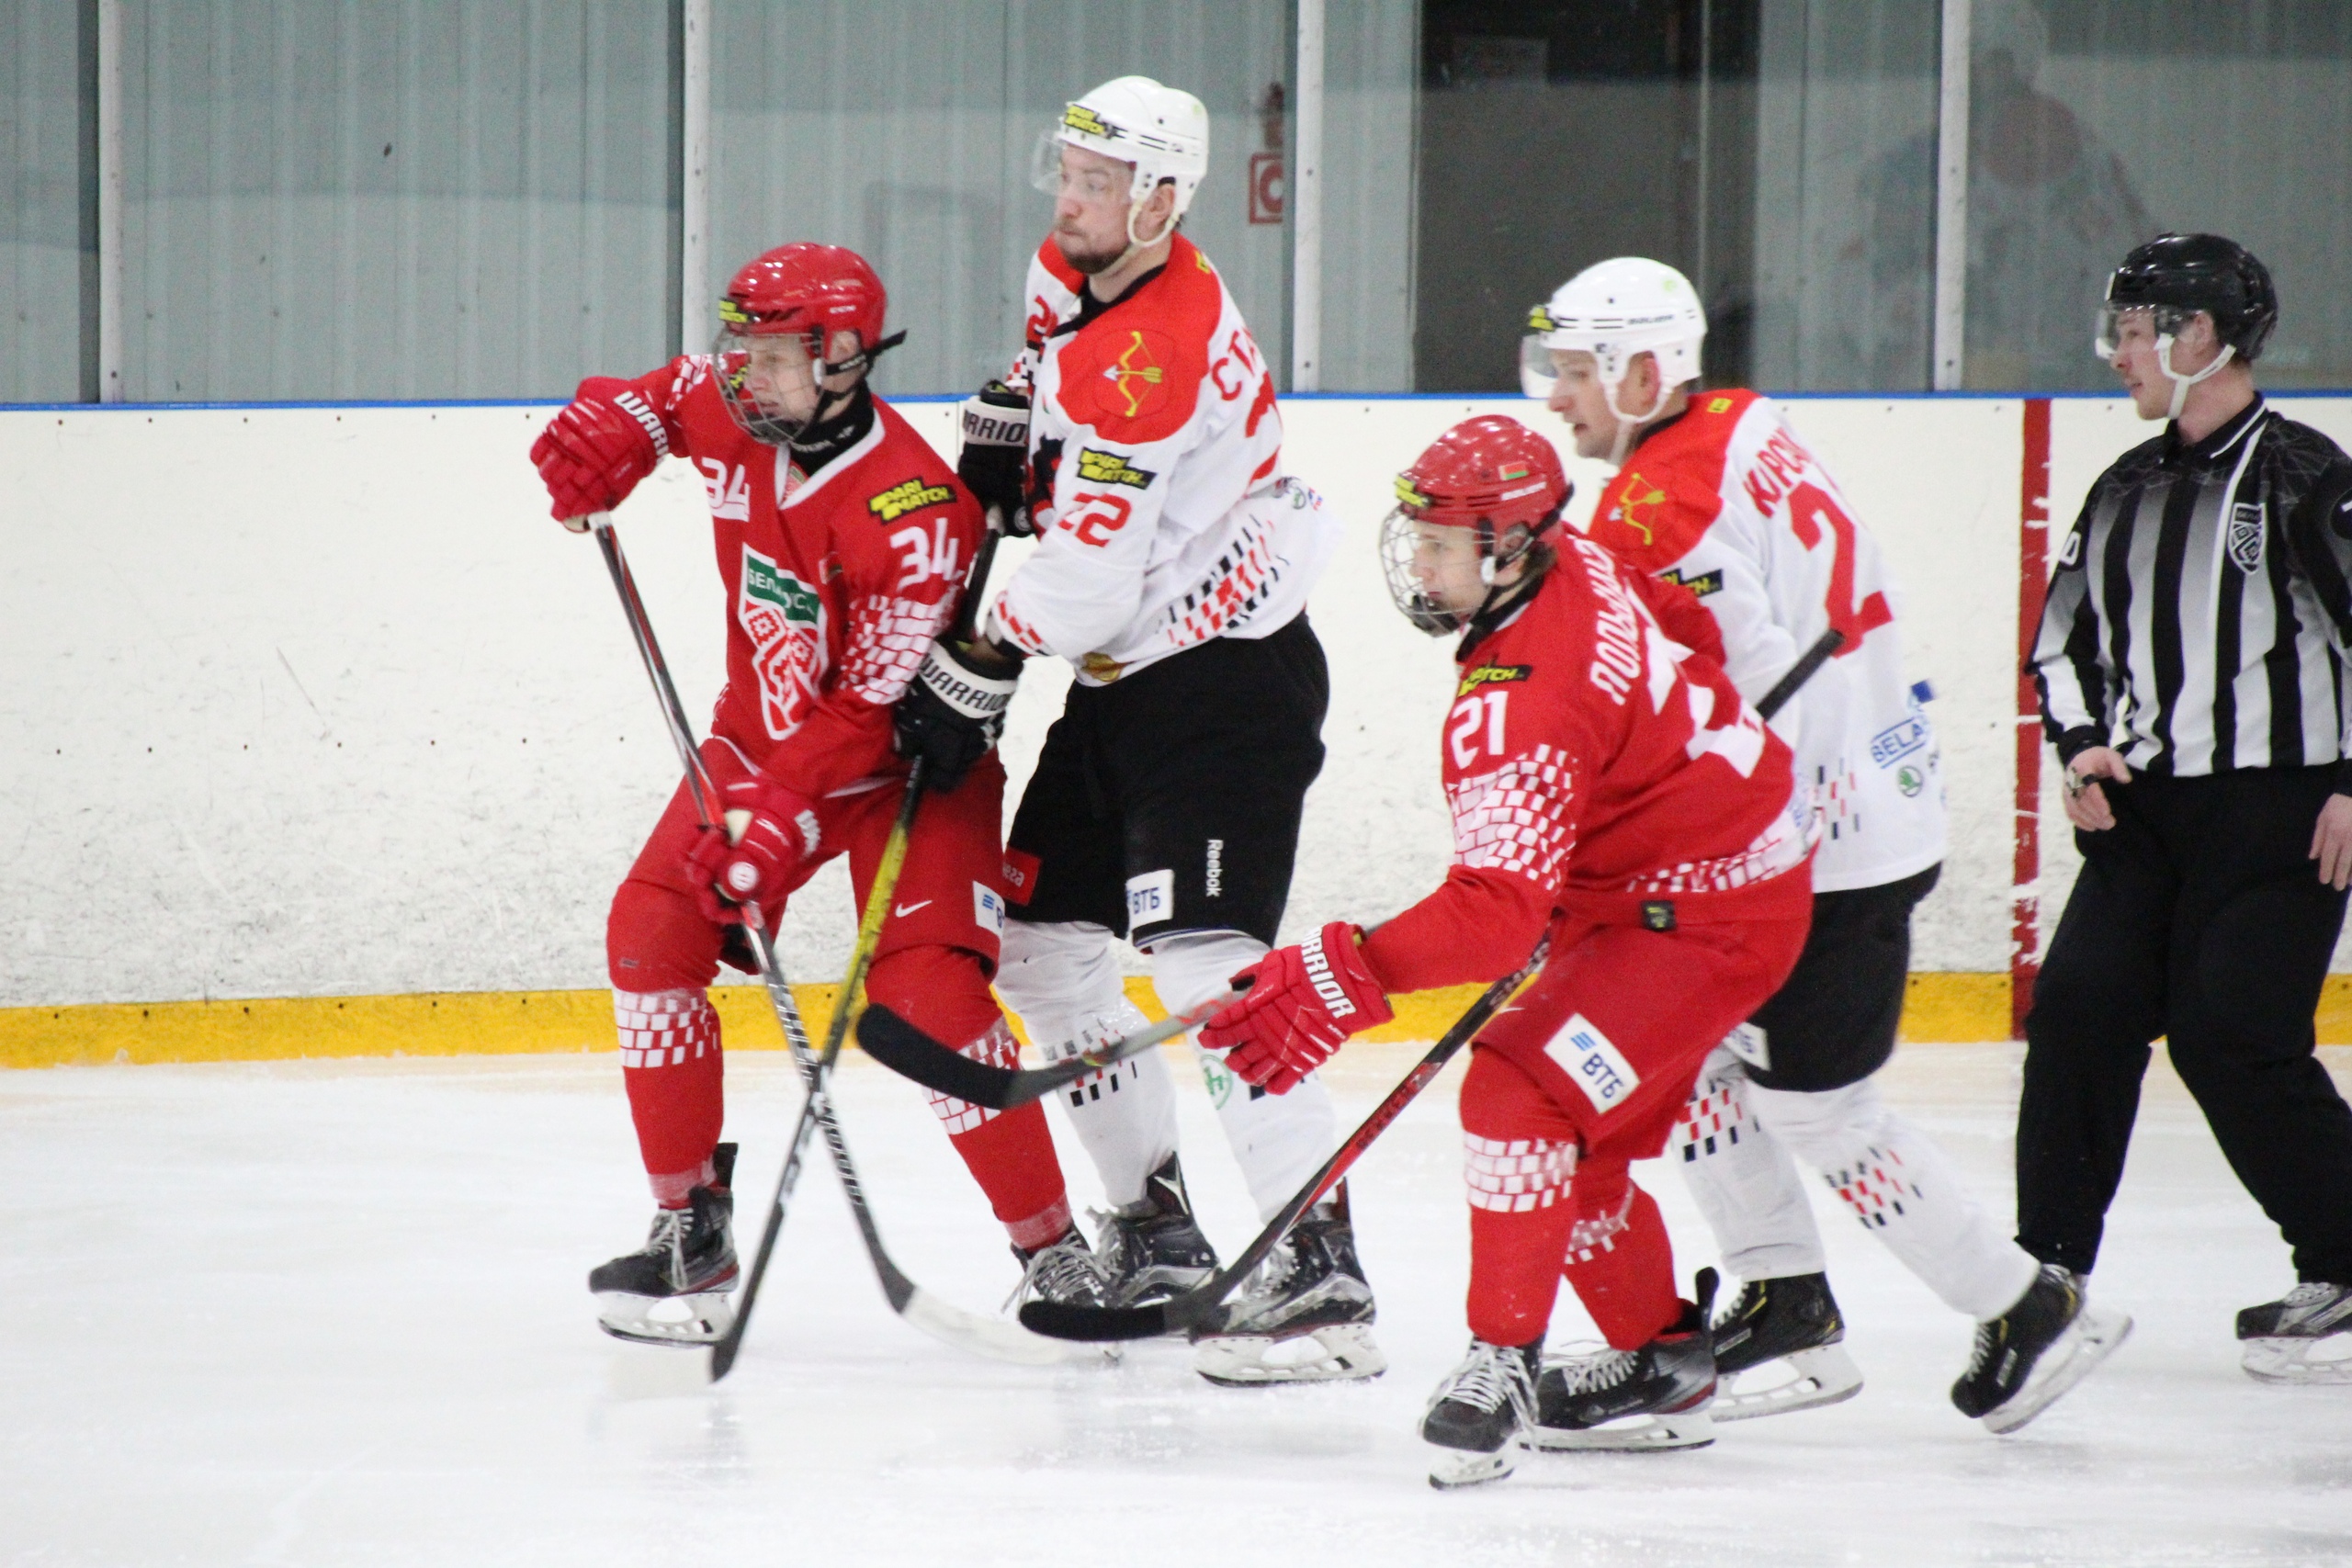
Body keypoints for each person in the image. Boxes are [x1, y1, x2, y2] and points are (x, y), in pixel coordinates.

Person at [1526, 255, 2126, 1432]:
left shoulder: (1650, 512)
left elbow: (1734, 696)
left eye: (1575, 372)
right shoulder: (1737, 420)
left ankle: (2028, 1307)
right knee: (1690, 1058)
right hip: (1865, 797)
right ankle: (1785, 1297)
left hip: (1820, 844)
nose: (1556, 397)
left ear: (1643, 373)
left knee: (1818, 1108)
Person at [1199, 413, 1815, 1485]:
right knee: (1580, 1148)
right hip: (1684, 890)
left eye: (1442, 543)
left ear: (1512, 546)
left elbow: (1493, 916)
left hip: (1701, 919)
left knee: (1516, 1094)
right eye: (1419, 536)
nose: (1419, 563)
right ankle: (1661, 1362)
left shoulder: (1521, 699)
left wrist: (1338, 973)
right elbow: (1690, 632)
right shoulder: (1579, 559)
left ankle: (1502, 1361)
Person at [526, 243, 1098, 1346]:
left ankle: (1052, 1248)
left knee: (926, 1000)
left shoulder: (916, 510)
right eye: (741, 350)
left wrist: (772, 822)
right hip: (760, 744)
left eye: (776, 357)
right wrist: (608, 435)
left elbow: (864, 709)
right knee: (649, 934)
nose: (748, 376)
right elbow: (657, 399)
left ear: (843, 358)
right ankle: (688, 1228)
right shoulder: (733, 407)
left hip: (906, 771)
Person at [896, 75, 1372, 1387]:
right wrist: (1016, 422)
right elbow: (1048, 365)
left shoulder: (1148, 357)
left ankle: (1322, 1272)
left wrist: (977, 655)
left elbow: (1084, 589)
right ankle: (1158, 1231)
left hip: (1221, 681)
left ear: (1163, 201)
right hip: (1128, 684)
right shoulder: (1079, 273)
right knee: (1045, 954)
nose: (1070, 200)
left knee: (1210, 970)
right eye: (1067, 171)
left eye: (1100, 183)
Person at [2026, 231, 2352, 1386]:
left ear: (2199, 335)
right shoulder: (2124, 485)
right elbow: (2059, 641)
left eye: (2131, 331)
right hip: (2147, 815)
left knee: (2231, 1037)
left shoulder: (2306, 474)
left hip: (2283, 811)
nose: (2116, 353)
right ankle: (2041, 1278)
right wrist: (2081, 746)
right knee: (2076, 1012)